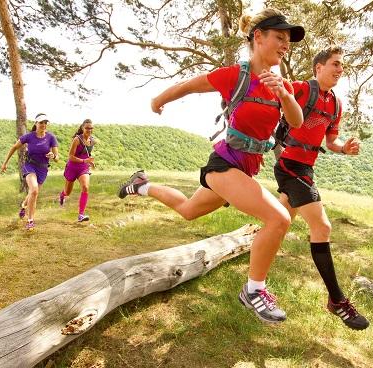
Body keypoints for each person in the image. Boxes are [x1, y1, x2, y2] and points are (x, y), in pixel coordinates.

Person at [117, 8, 305, 324]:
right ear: (258, 37)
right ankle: (254, 290)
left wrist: (284, 94)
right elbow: (191, 85)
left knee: (189, 210)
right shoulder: (236, 75)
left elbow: (297, 120)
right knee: (279, 218)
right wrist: (157, 101)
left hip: (244, 171)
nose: (286, 45)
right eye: (280, 37)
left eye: (289, 41)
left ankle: (141, 185)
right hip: (224, 166)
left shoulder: (280, 84)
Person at [273, 46, 369, 330]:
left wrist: (344, 149)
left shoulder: (336, 105)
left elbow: (331, 142)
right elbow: (271, 101)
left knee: (275, 223)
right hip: (290, 165)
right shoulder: (302, 89)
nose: (340, 70)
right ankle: (337, 301)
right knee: (323, 227)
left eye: (342, 66)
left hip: (307, 168)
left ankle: (253, 278)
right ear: (319, 67)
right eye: (335, 64)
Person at [1, 113, 59, 231]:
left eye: (45, 123)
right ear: (36, 123)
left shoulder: (51, 137)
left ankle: (23, 205)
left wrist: (53, 156)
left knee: (32, 193)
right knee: (34, 190)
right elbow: (14, 147)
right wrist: (5, 163)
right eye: (41, 122)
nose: (43, 125)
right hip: (30, 166)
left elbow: (57, 158)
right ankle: (30, 221)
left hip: (43, 168)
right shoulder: (29, 137)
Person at [59, 119, 96, 222]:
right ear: (82, 128)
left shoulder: (92, 140)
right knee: (68, 192)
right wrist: (85, 160)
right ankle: (62, 195)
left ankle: (81, 215)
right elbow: (70, 157)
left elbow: (87, 154)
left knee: (85, 187)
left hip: (83, 168)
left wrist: (90, 161)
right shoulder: (77, 139)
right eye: (87, 128)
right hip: (72, 167)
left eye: (91, 128)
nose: (89, 130)